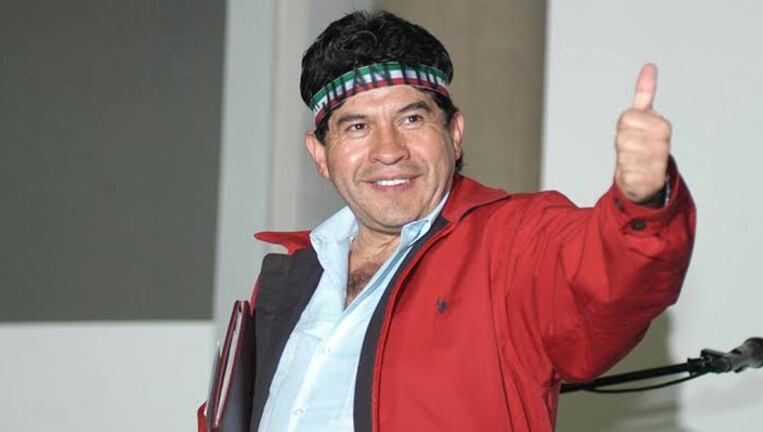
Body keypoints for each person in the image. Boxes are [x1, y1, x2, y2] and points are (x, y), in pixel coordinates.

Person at [202, 10, 695, 432]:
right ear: (320, 155)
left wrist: (642, 204)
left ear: (454, 134)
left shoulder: (513, 242)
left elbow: (605, 281)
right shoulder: (290, 277)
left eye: (412, 119)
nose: (389, 150)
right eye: (357, 126)